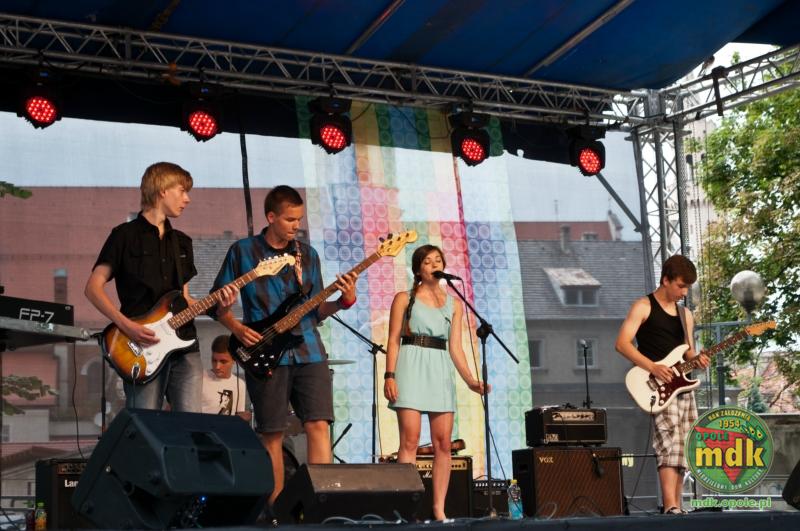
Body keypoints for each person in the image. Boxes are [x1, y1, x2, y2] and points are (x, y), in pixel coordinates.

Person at [212, 185, 358, 505]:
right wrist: (237, 328)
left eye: (299, 220)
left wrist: (343, 302)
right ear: (271, 217)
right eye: (290, 219)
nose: (296, 226)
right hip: (264, 352)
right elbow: (216, 304)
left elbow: (316, 309)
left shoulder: (308, 255)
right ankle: (276, 513)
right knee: (272, 433)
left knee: (318, 424)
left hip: (309, 349)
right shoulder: (242, 251)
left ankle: (322, 508)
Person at [85, 162, 237, 411]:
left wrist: (220, 306)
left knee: (189, 423)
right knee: (146, 423)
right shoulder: (123, 235)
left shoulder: (182, 242)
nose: (187, 199)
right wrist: (127, 325)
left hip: (185, 344)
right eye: (182, 191)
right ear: (162, 190)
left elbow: (185, 299)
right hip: (140, 346)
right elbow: (93, 288)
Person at [383, 244, 488, 521]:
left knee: (443, 443)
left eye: (438, 260)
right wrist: (389, 375)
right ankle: (405, 509)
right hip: (410, 364)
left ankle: (438, 509)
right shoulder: (404, 298)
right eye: (428, 262)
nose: (434, 265)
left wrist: (470, 380)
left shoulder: (454, 304)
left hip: (439, 368)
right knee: (410, 441)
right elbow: (393, 340)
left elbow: (456, 348)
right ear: (418, 269)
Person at [615, 254, 710, 515]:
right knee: (668, 443)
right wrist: (653, 367)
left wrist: (699, 360)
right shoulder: (643, 306)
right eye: (680, 286)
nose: (684, 292)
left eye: (687, 287)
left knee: (684, 445)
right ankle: (670, 506)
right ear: (665, 280)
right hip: (657, 384)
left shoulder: (685, 314)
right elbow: (622, 343)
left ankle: (676, 506)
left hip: (682, 386)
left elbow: (688, 352)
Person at [201, 334, 251, 421]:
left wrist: (244, 417)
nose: (217, 366)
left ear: (234, 360)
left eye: (223, 361)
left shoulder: (240, 384)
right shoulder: (200, 378)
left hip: (226, 428)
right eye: (214, 360)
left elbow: (238, 415)